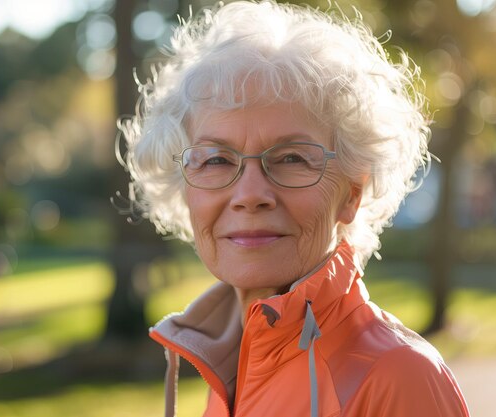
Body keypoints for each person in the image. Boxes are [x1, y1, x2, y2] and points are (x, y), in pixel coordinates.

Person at [116, 1, 470, 416]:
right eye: (216, 159)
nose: (250, 194)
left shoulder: (398, 376)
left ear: (351, 193)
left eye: (291, 159)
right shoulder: (232, 357)